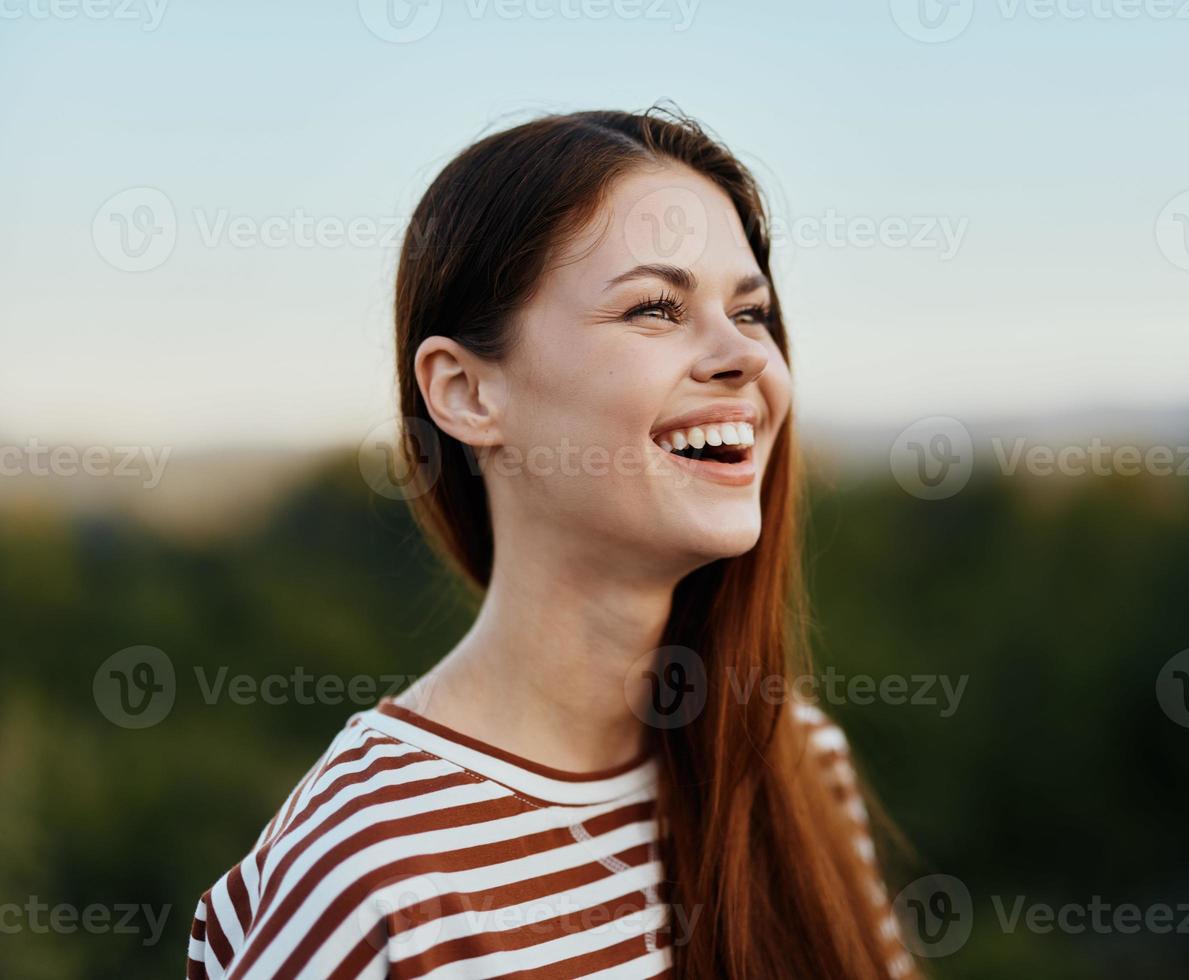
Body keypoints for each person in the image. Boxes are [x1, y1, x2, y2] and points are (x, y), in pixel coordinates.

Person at [187, 106, 915, 979]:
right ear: (464, 393)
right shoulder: (366, 876)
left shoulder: (793, 763)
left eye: (751, 313)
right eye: (654, 307)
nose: (743, 357)